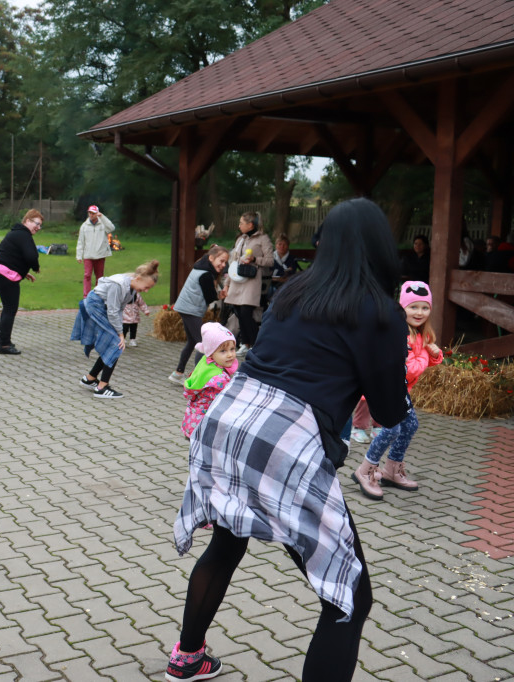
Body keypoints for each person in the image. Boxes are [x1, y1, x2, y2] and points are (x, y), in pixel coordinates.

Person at [166, 197, 410, 682]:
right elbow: (387, 411)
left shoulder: (297, 290)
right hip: (284, 440)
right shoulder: (380, 311)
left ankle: (187, 657)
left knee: (227, 543)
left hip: (230, 418)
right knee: (349, 597)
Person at [352, 280, 441, 500]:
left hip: (398, 389)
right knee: (391, 428)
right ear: (403, 308)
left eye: (424, 307)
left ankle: (392, 469)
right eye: (413, 307)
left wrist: (435, 354)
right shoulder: (402, 334)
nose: (419, 312)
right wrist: (425, 356)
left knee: (410, 424)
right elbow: (410, 369)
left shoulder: (420, 334)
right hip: (385, 386)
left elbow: (425, 363)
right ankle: (365, 470)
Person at [72, 260, 160, 399]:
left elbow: (118, 310)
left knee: (112, 343)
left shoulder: (131, 288)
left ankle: (89, 379)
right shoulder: (118, 285)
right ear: (138, 279)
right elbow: (113, 311)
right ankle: (101, 388)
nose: (146, 290)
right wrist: (120, 334)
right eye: (146, 286)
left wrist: (120, 333)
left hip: (104, 308)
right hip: (95, 306)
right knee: (115, 345)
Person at [0, 209, 43, 355]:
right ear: (27, 221)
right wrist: (35, 267)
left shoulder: (16, 233)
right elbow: (30, 256)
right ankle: (4, 344)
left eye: (40, 225)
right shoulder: (23, 234)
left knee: (8, 307)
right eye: (36, 223)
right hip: (4, 274)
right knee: (10, 308)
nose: (38, 227)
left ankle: (3, 340)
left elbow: (11, 256)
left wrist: (25, 273)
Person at [169, 245, 229, 384]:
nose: (223, 264)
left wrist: (218, 294)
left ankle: (178, 374)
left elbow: (208, 294)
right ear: (211, 258)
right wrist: (220, 295)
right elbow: (210, 297)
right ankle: (198, 380)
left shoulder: (201, 266)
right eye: (221, 260)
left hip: (186, 308)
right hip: (191, 309)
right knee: (203, 344)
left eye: (225, 262)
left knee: (192, 342)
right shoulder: (206, 274)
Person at [222, 211, 273, 356]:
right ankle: (245, 343)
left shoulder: (263, 239)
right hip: (237, 280)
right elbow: (233, 262)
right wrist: (227, 284)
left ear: (250, 225)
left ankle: (256, 345)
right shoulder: (241, 239)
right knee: (238, 312)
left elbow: (270, 261)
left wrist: (254, 259)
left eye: (241, 223)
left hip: (251, 281)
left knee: (246, 312)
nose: (238, 225)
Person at [181, 323, 237, 439]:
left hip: (193, 421)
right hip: (205, 428)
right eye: (223, 351)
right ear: (211, 353)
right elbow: (227, 403)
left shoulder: (206, 363)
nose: (230, 355)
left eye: (232, 349)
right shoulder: (219, 379)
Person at [76, 205, 117, 298]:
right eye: (90, 213)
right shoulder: (84, 226)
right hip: (88, 255)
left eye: (93, 213)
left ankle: (99, 294)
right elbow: (80, 241)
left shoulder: (103, 224)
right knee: (87, 275)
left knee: (100, 276)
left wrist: (102, 217)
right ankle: (86, 296)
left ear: (97, 214)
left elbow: (111, 228)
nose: (91, 215)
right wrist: (79, 255)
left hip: (100, 254)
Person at [270, 233, 299, 298]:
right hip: (270, 283)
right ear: (276, 245)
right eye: (279, 244)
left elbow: (291, 273)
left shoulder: (292, 259)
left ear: (288, 246)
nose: (282, 247)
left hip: (286, 284)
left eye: (284, 245)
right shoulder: (270, 257)